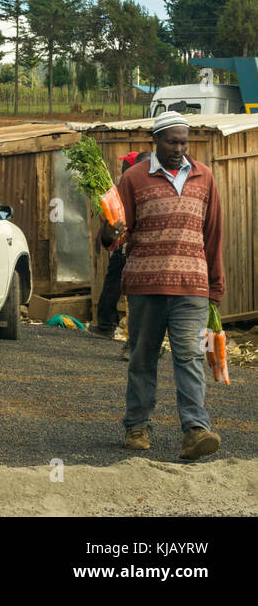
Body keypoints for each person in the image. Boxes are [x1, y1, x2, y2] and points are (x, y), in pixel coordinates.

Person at [100, 111, 225, 461]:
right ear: (156, 141)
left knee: (190, 357)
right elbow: (114, 234)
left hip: (191, 285)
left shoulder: (205, 178)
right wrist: (109, 231)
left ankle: (195, 430)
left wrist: (215, 286)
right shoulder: (134, 178)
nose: (179, 149)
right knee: (143, 357)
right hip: (145, 285)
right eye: (172, 141)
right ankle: (137, 426)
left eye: (184, 142)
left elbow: (213, 234)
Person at [94, 151, 149, 352]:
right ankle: (131, 341)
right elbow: (115, 231)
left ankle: (112, 328)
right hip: (127, 249)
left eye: (126, 165)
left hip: (140, 255)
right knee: (131, 296)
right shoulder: (120, 191)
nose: (123, 169)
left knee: (129, 293)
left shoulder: (139, 192)